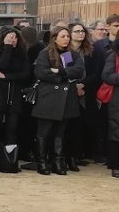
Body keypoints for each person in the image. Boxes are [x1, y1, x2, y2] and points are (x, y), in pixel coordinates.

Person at [31, 26, 85, 175]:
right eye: (63, 36)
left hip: (66, 98)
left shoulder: (70, 54)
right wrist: (63, 76)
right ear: (54, 38)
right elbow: (41, 73)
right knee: (44, 132)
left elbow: (78, 70)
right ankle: (41, 162)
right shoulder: (45, 53)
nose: (66, 38)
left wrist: (59, 71)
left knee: (60, 132)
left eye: (67, 36)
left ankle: (57, 161)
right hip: (48, 97)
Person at [0, 26, 30, 172]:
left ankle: (10, 160)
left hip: (14, 95)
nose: (13, 39)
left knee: (12, 128)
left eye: (15, 37)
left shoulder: (22, 54)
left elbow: (25, 74)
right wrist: (7, 47)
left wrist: (6, 76)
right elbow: (1, 64)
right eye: (9, 37)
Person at [67, 22, 95, 169]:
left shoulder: (90, 51)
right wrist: (74, 86)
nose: (80, 33)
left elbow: (96, 72)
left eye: (82, 31)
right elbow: (68, 71)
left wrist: (83, 85)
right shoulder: (66, 51)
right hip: (68, 91)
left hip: (86, 91)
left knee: (80, 125)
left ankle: (76, 155)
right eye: (77, 31)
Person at [98, 37, 119, 178]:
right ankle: (116, 165)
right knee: (116, 131)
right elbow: (106, 76)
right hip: (117, 99)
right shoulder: (113, 55)